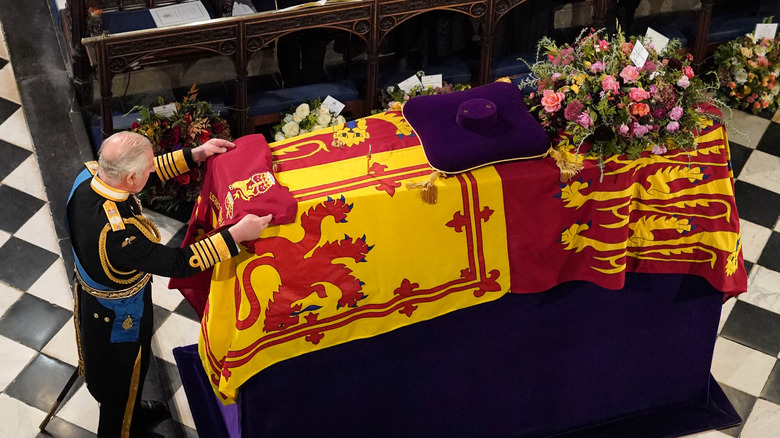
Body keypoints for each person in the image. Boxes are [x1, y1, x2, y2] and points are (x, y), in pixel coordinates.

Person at [66, 131, 272, 438]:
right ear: (132, 178)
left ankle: (132, 413)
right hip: (119, 317)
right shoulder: (119, 234)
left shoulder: (90, 174)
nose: (154, 169)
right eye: (148, 169)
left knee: (126, 377)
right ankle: (123, 427)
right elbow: (178, 263)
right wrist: (236, 235)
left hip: (95, 299)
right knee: (121, 383)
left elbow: (140, 170)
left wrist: (195, 154)